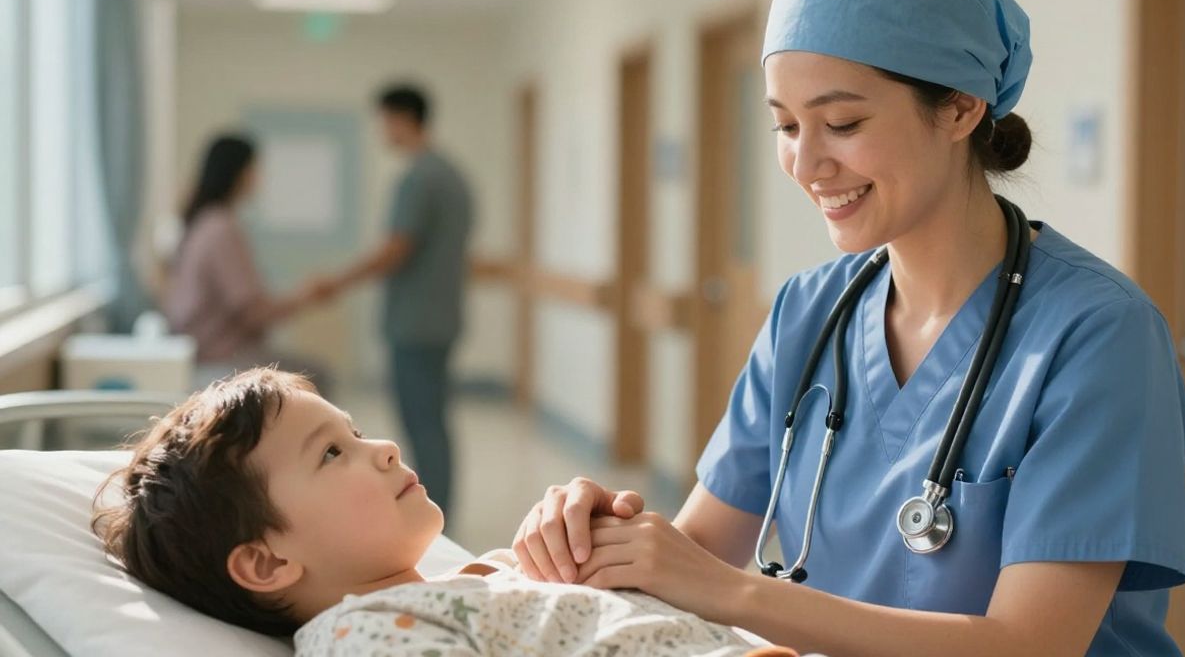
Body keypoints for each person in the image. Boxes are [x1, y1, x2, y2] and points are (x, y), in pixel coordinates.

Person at [510, 0, 1185, 657]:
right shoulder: (809, 312)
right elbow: (700, 551)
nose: (807, 164)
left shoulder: (1097, 335)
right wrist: (594, 535)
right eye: (785, 125)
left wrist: (730, 591)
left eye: (843, 122)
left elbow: (1029, 643)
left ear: (962, 108)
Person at [91, 368, 802, 657]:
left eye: (357, 432)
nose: (385, 448)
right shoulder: (361, 636)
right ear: (268, 560)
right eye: (332, 454)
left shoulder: (475, 579)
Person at [317, 85, 474, 517]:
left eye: (385, 121)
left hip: (416, 323)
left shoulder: (420, 178)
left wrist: (338, 281)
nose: (382, 131)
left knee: (422, 422)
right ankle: (441, 508)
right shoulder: (452, 175)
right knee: (433, 420)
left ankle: (435, 513)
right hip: (440, 318)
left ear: (403, 118)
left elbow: (395, 249)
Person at [163, 132, 331, 393]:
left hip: (202, 352)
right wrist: (304, 297)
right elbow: (253, 313)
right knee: (318, 376)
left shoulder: (202, 223)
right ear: (240, 173)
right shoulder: (221, 228)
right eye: (255, 170)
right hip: (220, 358)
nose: (259, 179)